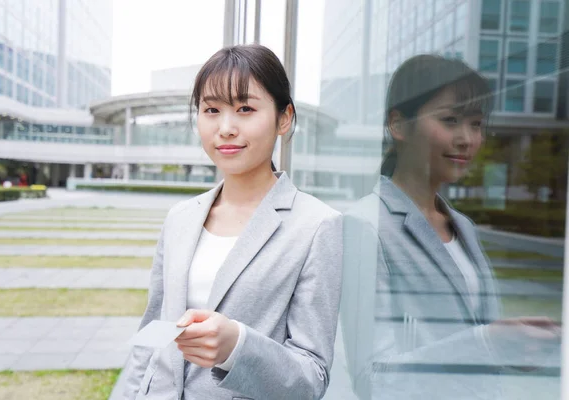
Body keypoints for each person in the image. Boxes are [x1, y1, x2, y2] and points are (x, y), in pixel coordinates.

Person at [123, 44, 343, 400]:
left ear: (284, 118)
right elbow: (151, 338)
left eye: (245, 109)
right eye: (211, 110)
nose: (225, 128)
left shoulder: (317, 226)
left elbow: (311, 378)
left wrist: (236, 347)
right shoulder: (180, 218)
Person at [340, 54, 561, 399]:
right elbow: (372, 380)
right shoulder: (366, 225)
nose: (467, 139)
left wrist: (513, 348)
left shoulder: (463, 227)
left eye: (476, 124)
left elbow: (473, 345)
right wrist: (488, 343)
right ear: (398, 125)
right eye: (450, 120)